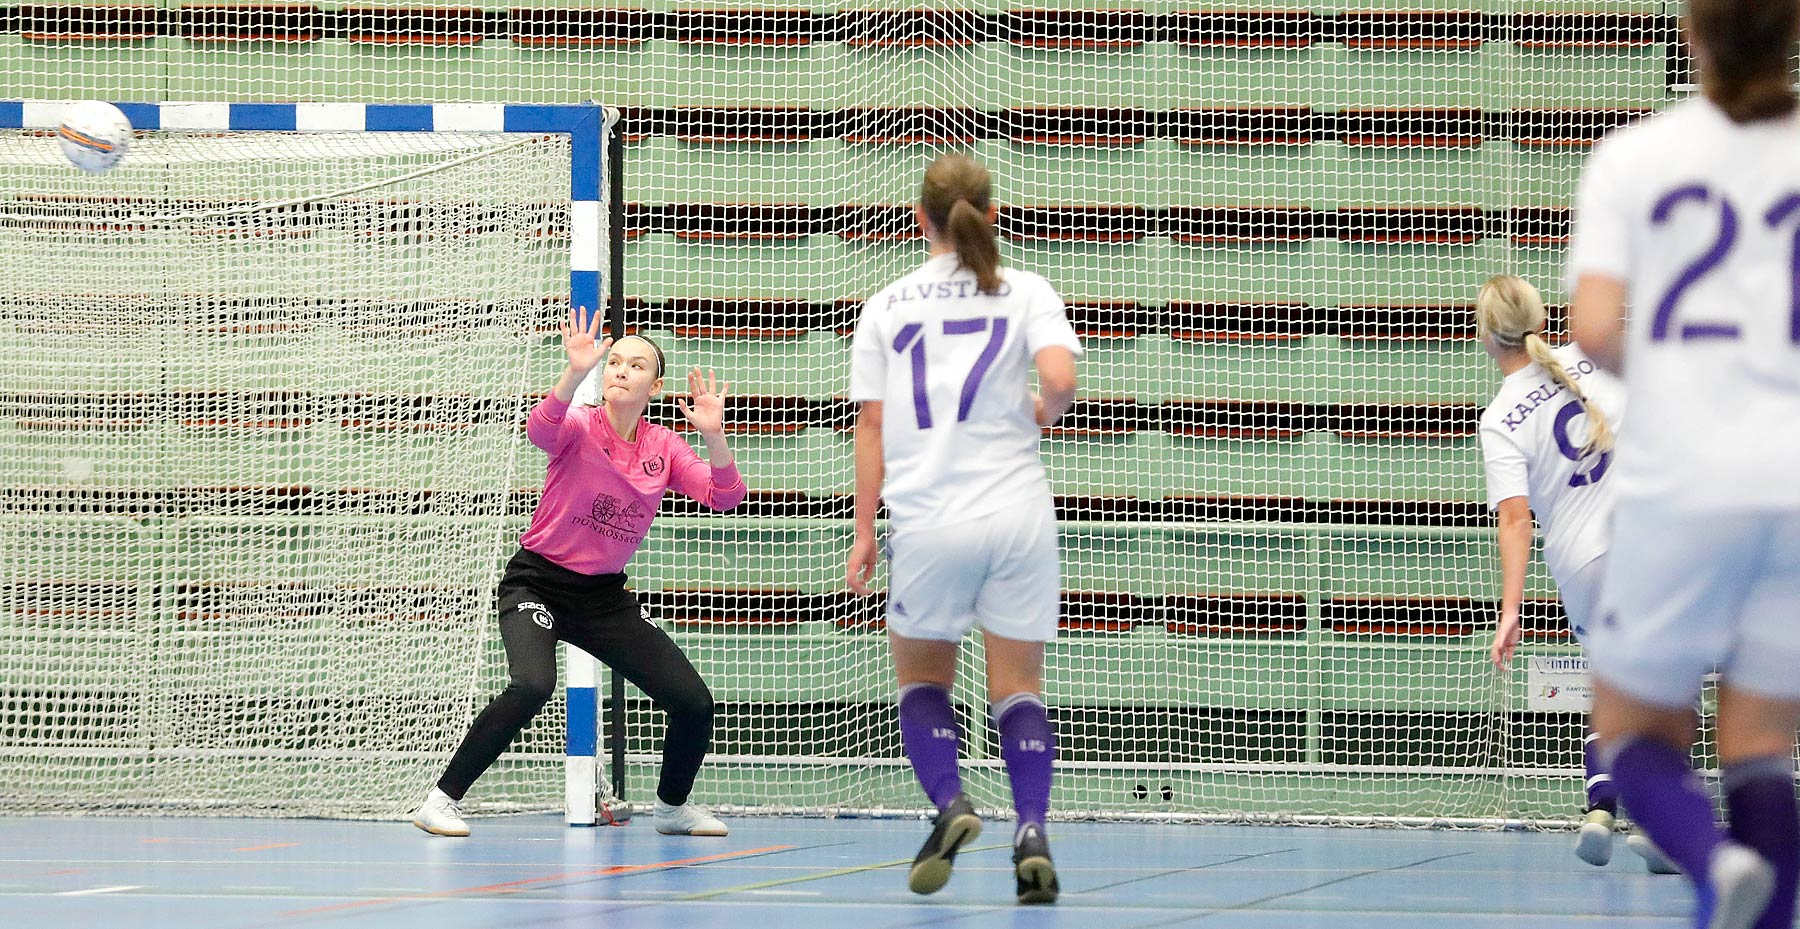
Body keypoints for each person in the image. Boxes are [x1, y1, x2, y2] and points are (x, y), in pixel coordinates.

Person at [1569, 0, 1800, 926]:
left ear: (1692, 36)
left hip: (1684, 473)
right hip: (1791, 470)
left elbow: (1591, 327)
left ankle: (1710, 860)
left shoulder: (1637, 156)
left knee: (1630, 726)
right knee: (1762, 742)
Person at [411, 306, 746, 838]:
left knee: (692, 701)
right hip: (538, 581)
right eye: (613, 361)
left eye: (636, 365)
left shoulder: (664, 446)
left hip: (603, 600)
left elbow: (725, 497)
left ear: (655, 386)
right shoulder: (579, 426)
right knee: (533, 684)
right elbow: (539, 429)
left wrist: (714, 435)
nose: (620, 369)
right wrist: (572, 372)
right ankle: (440, 801)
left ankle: (671, 809)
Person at [845, 153, 1081, 905]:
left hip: (930, 518)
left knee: (921, 679)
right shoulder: (1027, 290)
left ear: (920, 219)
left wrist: (863, 530)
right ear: (993, 215)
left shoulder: (886, 304)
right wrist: (1042, 415)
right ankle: (1033, 829)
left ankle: (951, 802)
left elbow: (872, 426)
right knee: (1018, 686)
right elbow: (1063, 382)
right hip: (1018, 513)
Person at [1474, 274, 1643, 868]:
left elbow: (1515, 521)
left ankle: (1601, 806)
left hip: (1582, 562)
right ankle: (1654, 816)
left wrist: (1511, 610)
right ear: (1541, 319)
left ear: (1487, 338)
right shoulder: (1589, 361)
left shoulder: (1498, 418)